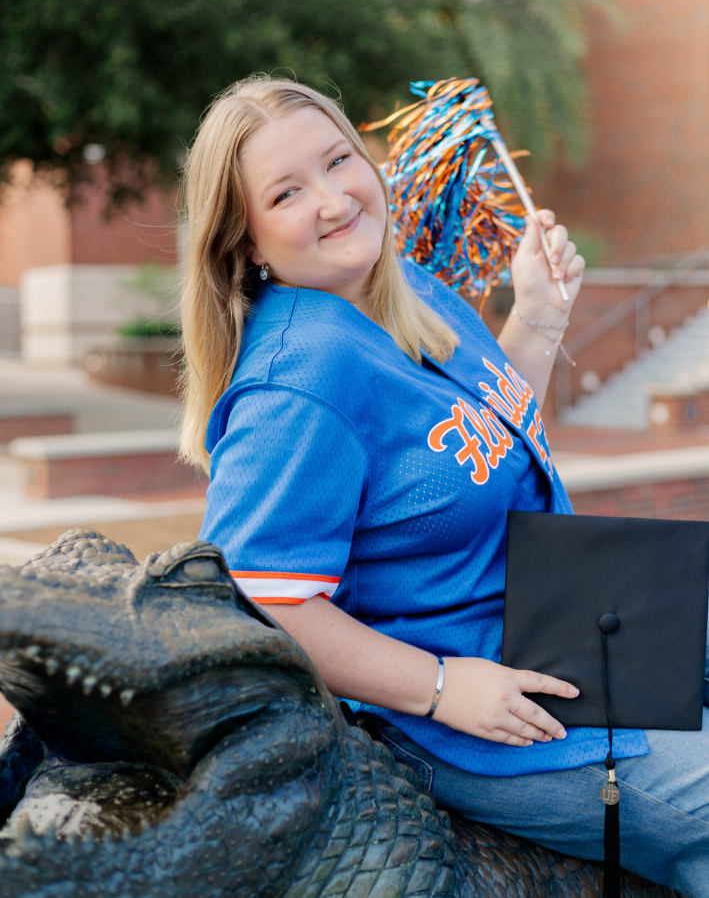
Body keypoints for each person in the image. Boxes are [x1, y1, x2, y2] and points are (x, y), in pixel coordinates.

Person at [181, 75, 709, 896]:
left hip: (566, 613)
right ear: (246, 241)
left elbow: (474, 447)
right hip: (472, 703)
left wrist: (536, 316)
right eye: (286, 192)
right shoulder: (300, 382)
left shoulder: (405, 288)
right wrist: (438, 688)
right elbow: (267, 603)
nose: (331, 200)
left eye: (338, 161)